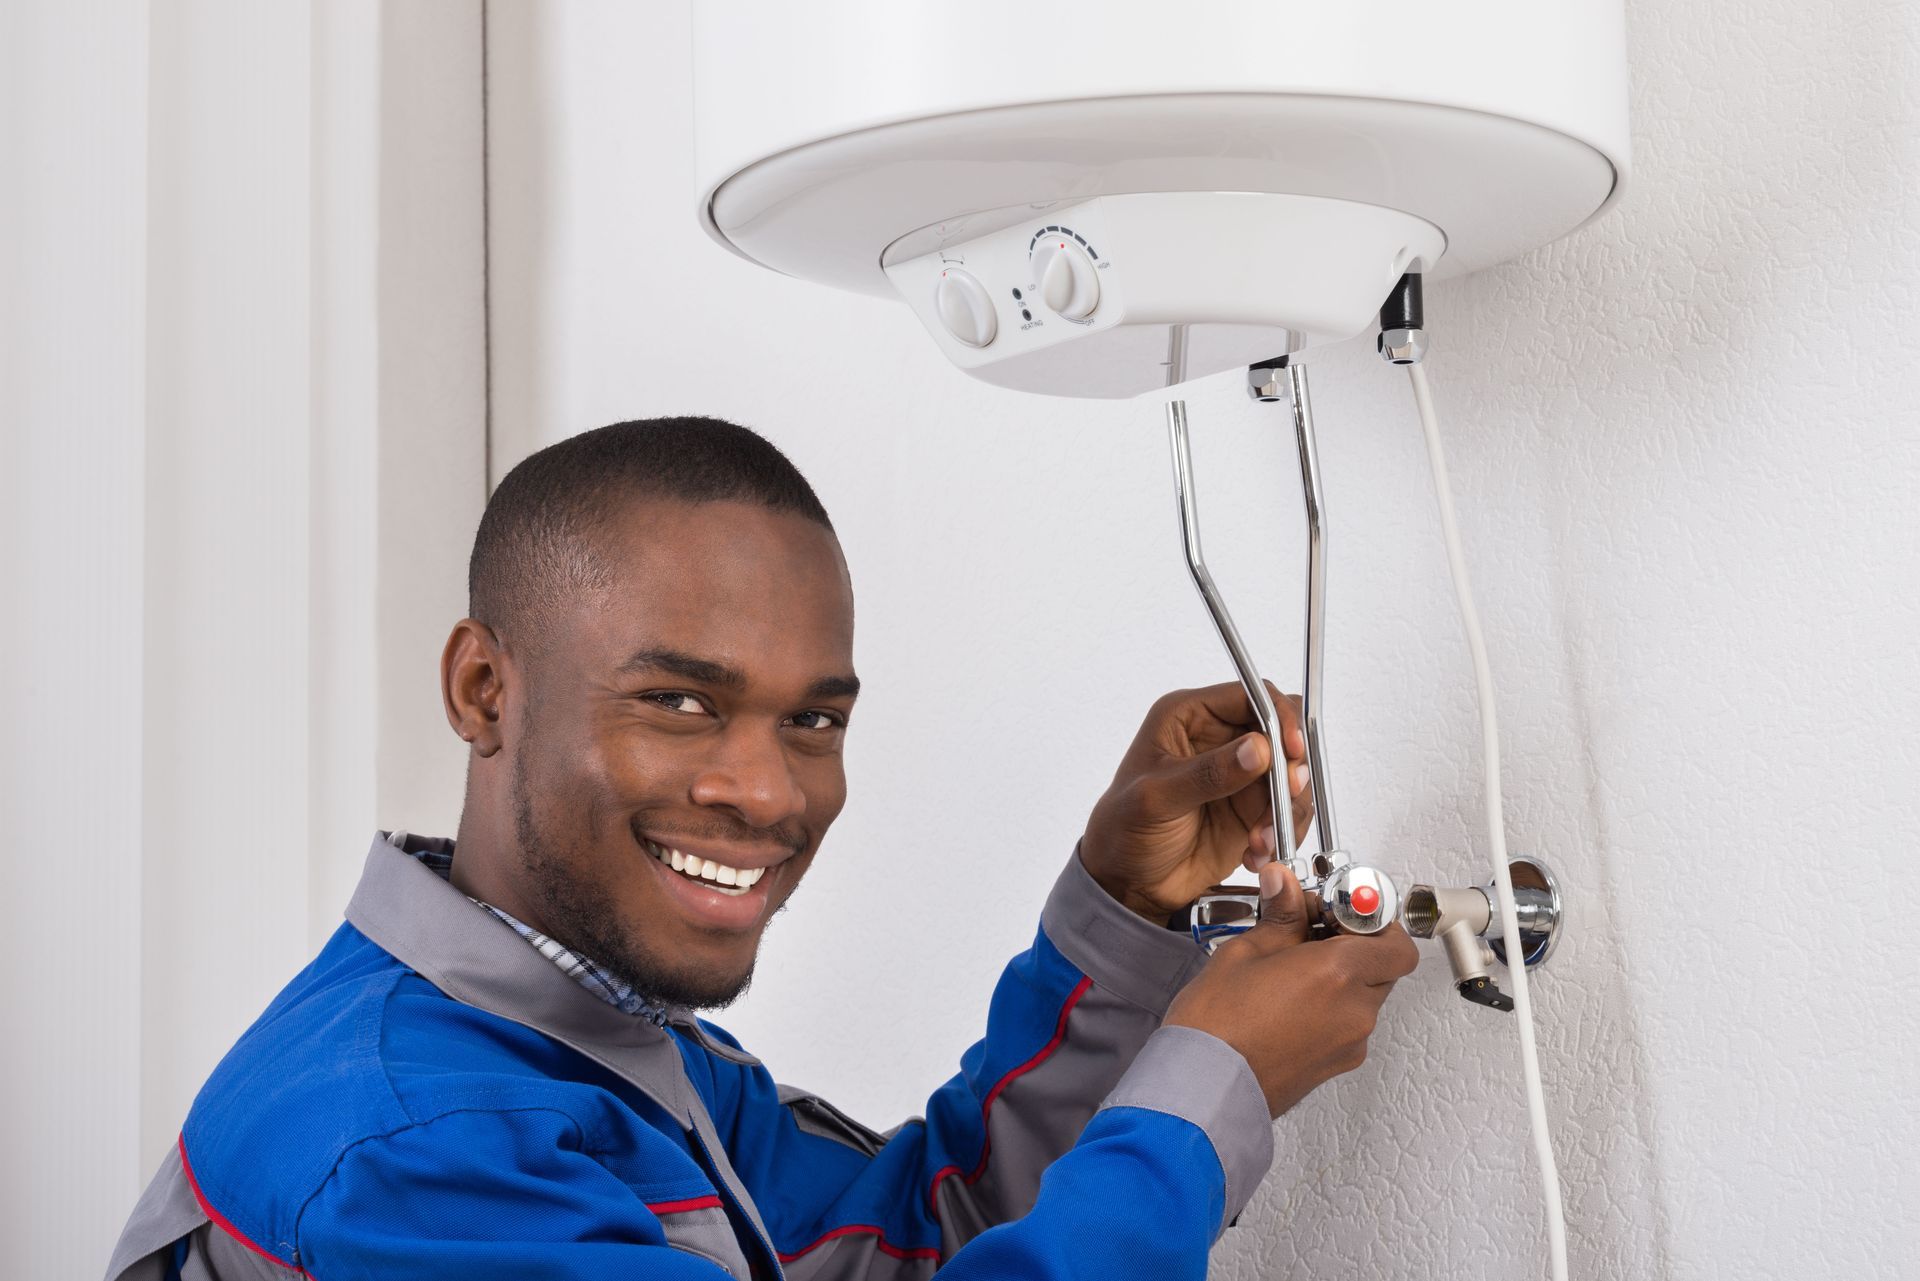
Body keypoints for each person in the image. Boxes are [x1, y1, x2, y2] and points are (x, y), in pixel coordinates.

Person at [105, 417, 1418, 1281]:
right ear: (484, 690)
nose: (762, 788)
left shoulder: (599, 1040)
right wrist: (1212, 1078)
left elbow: (920, 1235)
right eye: (679, 700)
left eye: (813, 719)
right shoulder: (415, 1141)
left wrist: (1124, 917)